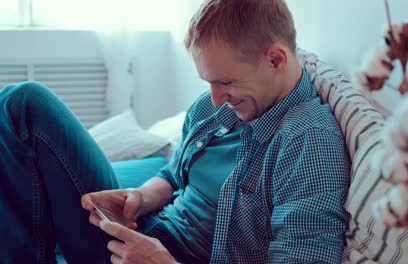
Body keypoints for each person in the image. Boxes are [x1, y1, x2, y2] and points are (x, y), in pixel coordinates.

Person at [0, 0, 351, 263]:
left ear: (276, 59)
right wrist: (139, 199)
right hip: (146, 231)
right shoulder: (217, 107)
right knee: (15, 129)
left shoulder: (308, 140)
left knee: (26, 105)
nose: (214, 97)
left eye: (226, 81)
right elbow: (173, 174)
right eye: (209, 81)